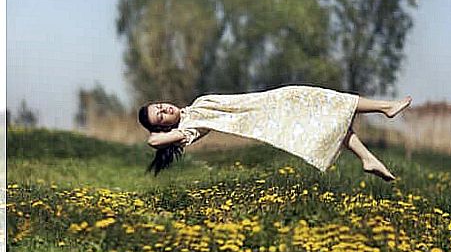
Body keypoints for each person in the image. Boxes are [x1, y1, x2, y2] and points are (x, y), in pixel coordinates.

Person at [138, 85, 412, 181]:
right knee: (318, 100)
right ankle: (385, 106)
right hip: (265, 111)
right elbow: (153, 140)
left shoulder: (192, 109)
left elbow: (156, 134)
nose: (166, 109)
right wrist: (170, 135)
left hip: (266, 103)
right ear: (163, 126)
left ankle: (367, 158)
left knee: (323, 116)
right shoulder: (188, 128)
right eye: (161, 115)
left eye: (161, 106)